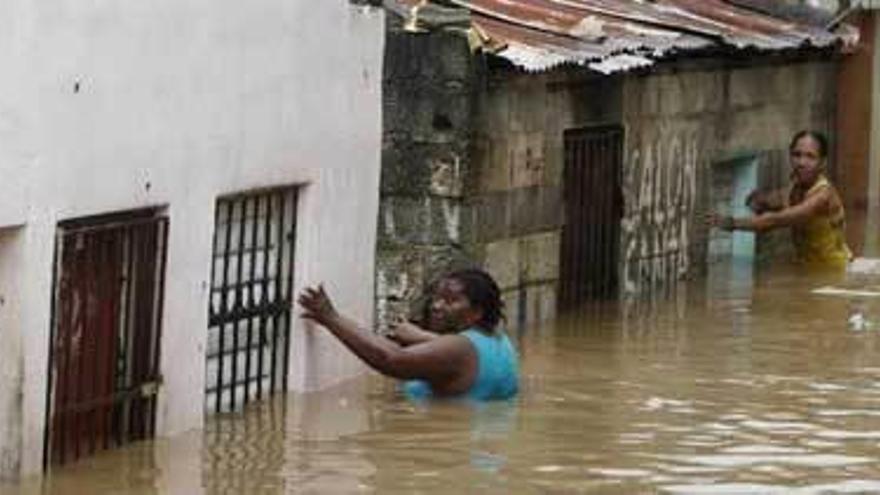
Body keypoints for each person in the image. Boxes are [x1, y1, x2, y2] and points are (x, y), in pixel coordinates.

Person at [297, 268, 519, 400]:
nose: (436, 306)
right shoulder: (499, 340)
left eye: (451, 301)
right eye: (437, 297)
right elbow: (462, 353)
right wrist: (423, 337)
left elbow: (391, 360)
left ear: (476, 312)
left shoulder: (459, 349)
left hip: (443, 447)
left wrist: (331, 317)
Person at [709, 130, 852, 270]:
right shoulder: (793, 189)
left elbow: (773, 221)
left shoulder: (823, 196)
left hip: (835, 272)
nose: (801, 162)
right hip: (806, 269)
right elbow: (773, 200)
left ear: (822, 163)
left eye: (810, 157)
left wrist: (731, 223)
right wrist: (758, 200)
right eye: (797, 155)